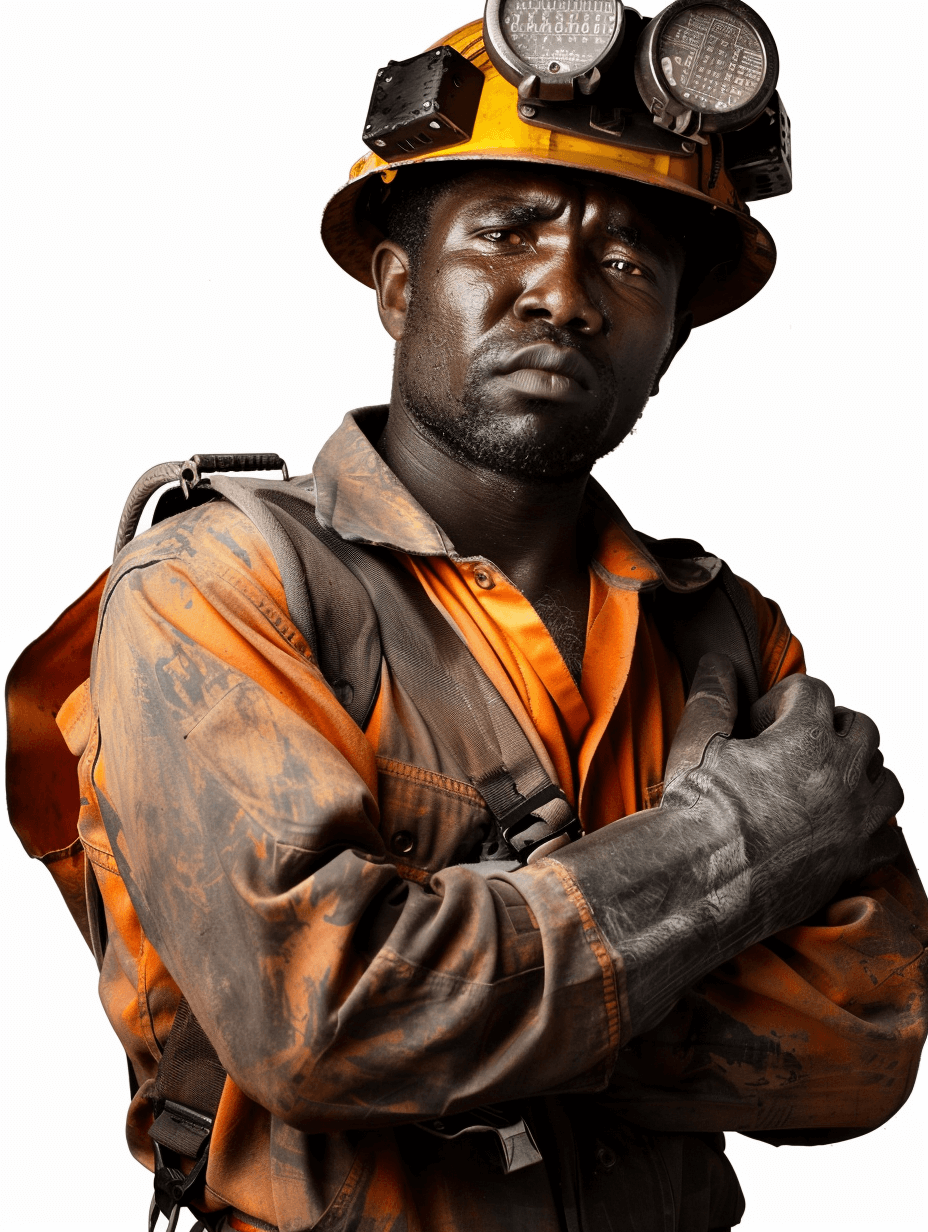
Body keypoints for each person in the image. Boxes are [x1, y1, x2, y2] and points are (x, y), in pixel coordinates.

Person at [6, 12, 926, 1232]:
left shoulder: (725, 634)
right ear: (396, 284)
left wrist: (470, 1000)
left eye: (630, 260)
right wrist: (735, 856)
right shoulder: (220, 585)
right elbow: (319, 1019)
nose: (564, 293)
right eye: (508, 232)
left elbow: (867, 1040)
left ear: (670, 341)